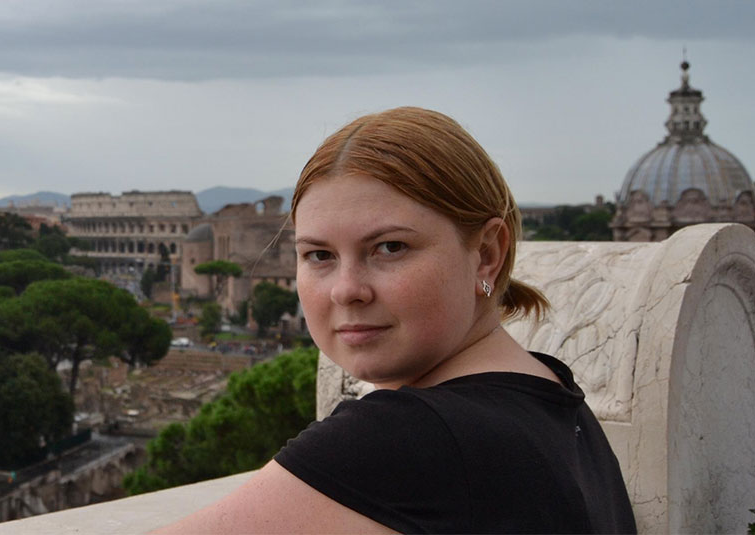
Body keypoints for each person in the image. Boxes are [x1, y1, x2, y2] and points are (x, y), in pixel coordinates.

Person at [155, 107, 636, 533]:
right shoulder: (557, 399)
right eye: (319, 255)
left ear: (487, 254)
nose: (346, 289)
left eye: (390, 248)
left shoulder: (409, 435)